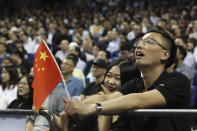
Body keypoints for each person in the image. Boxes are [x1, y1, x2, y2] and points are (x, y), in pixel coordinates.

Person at [64, 26, 191, 131]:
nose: (139, 46)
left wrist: (92, 108)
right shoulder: (135, 84)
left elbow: (139, 100)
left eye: (148, 42)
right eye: (138, 42)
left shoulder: (178, 81)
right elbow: (107, 97)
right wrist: (76, 107)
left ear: (165, 54)